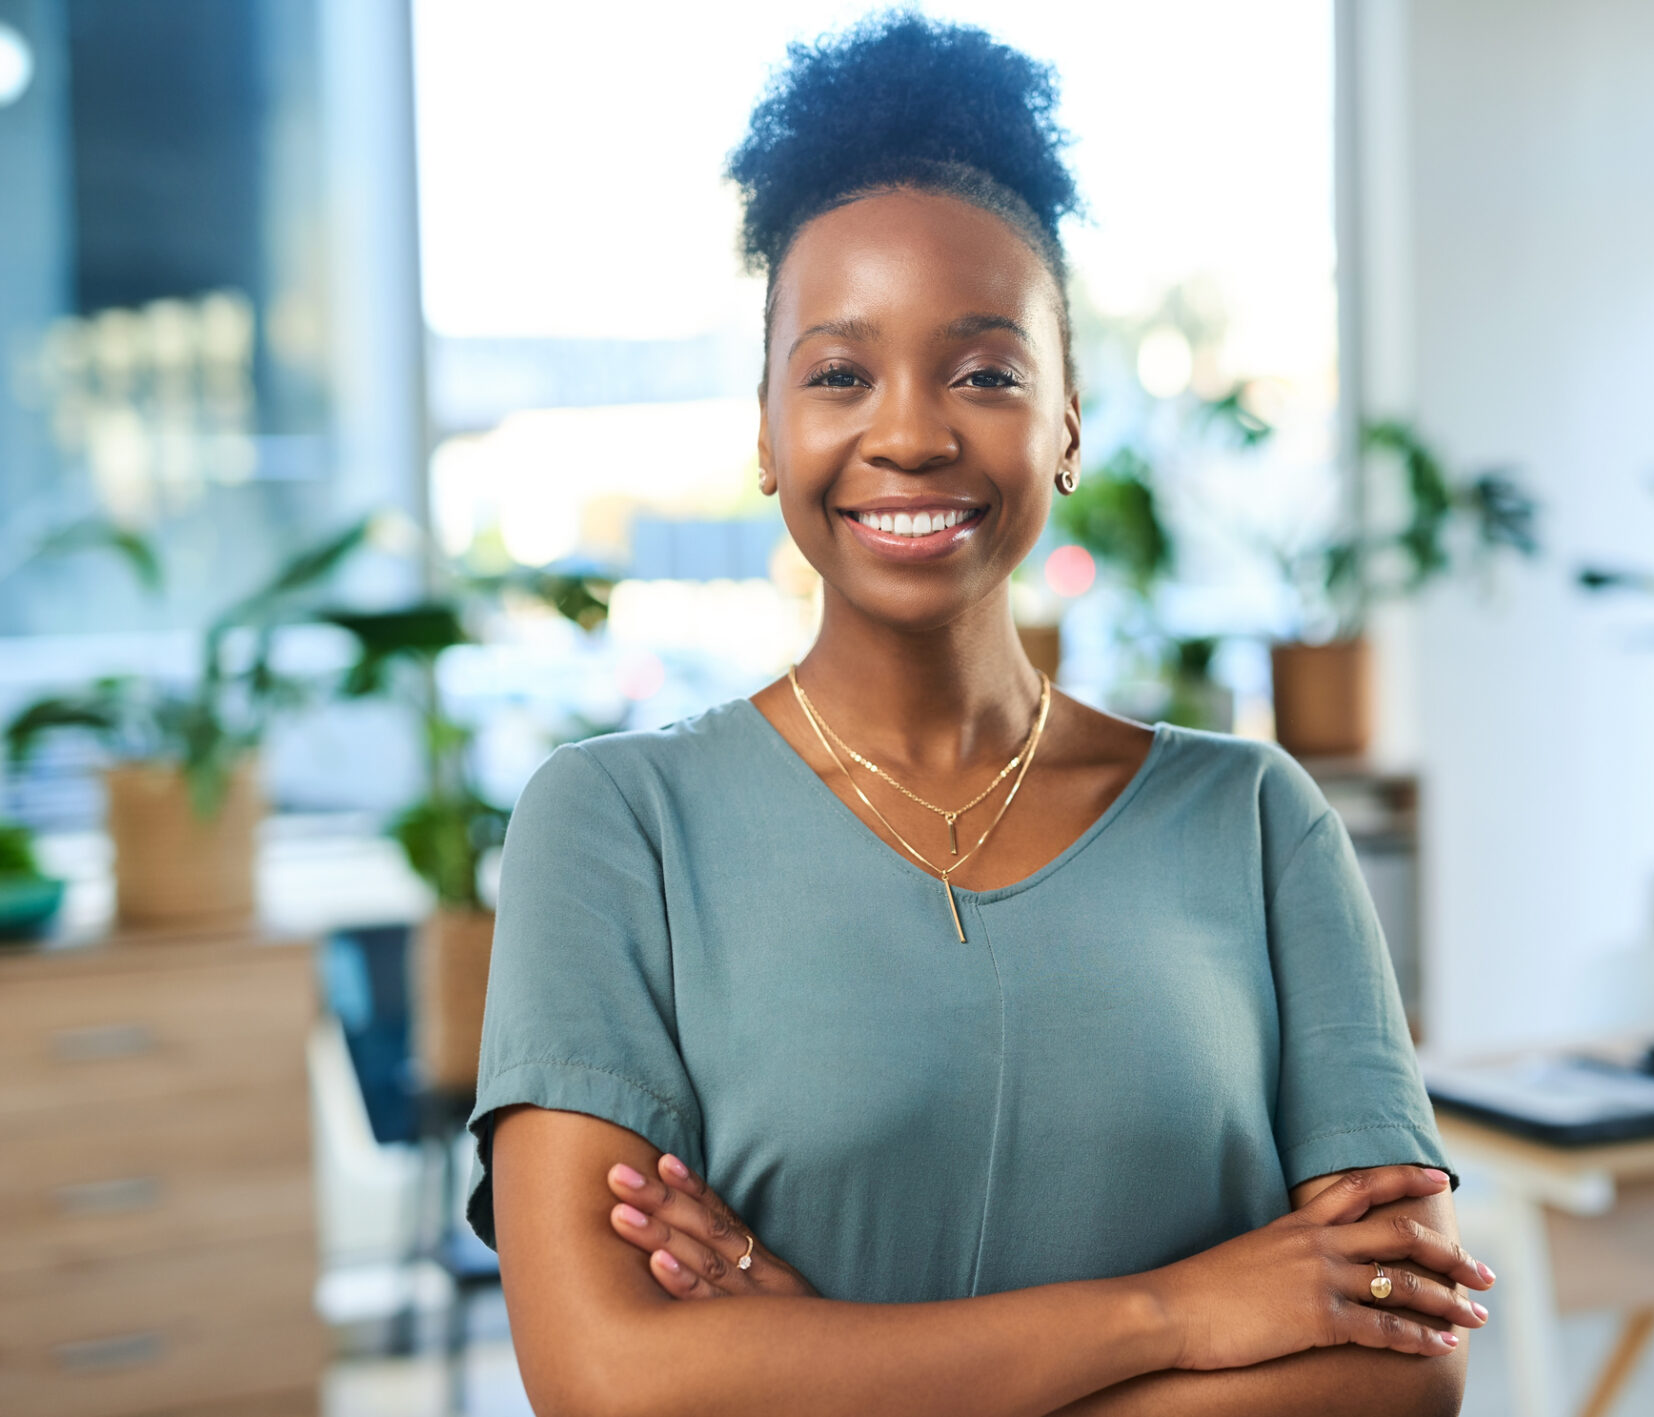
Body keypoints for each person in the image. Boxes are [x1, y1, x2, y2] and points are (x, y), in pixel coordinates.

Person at [468, 13, 1492, 1415]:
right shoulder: (615, 827)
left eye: (985, 370)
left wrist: (820, 1369)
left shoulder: (1255, 823)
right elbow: (610, 1379)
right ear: (765, 430)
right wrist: (1180, 1312)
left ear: (1067, 419)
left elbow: (1408, 1367)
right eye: (837, 372)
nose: (910, 431)